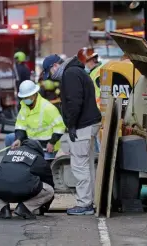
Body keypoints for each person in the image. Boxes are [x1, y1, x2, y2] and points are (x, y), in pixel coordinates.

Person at [42, 54, 102, 215]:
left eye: (50, 72)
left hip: (83, 125)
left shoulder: (70, 74)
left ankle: (84, 204)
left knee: (79, 165)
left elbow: (75, 102)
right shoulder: (77, 71)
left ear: (55, 65)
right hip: (89, 123)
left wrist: (72, 125)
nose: (52, 76)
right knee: (87, 164)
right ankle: (90, 201)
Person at [0, 139, 55, 219]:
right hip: (23, 192)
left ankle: (4, 209)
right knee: (49, 190)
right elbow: (50, 184)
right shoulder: (39, 158)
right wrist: (44, 208)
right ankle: (24, 208)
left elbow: (0, 172)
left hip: (1, 190)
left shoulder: (9, 152)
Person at [4, 80, 66, 159]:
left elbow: (60, 127)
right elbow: (20, 126)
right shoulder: (24, 108)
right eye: (23, 97)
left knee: (42, 167)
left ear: (34, 94)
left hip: (46, 147)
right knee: (10, 138)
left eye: (27, 97)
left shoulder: (47, 108)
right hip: (31, 143)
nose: (25, 99)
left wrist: (52, 143)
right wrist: (19, 139)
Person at [77, 47, 103, 153]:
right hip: (98, 115)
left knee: (99, 150)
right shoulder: (97, 72)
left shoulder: (96, 74)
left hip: (98, 116)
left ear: (90, 61)